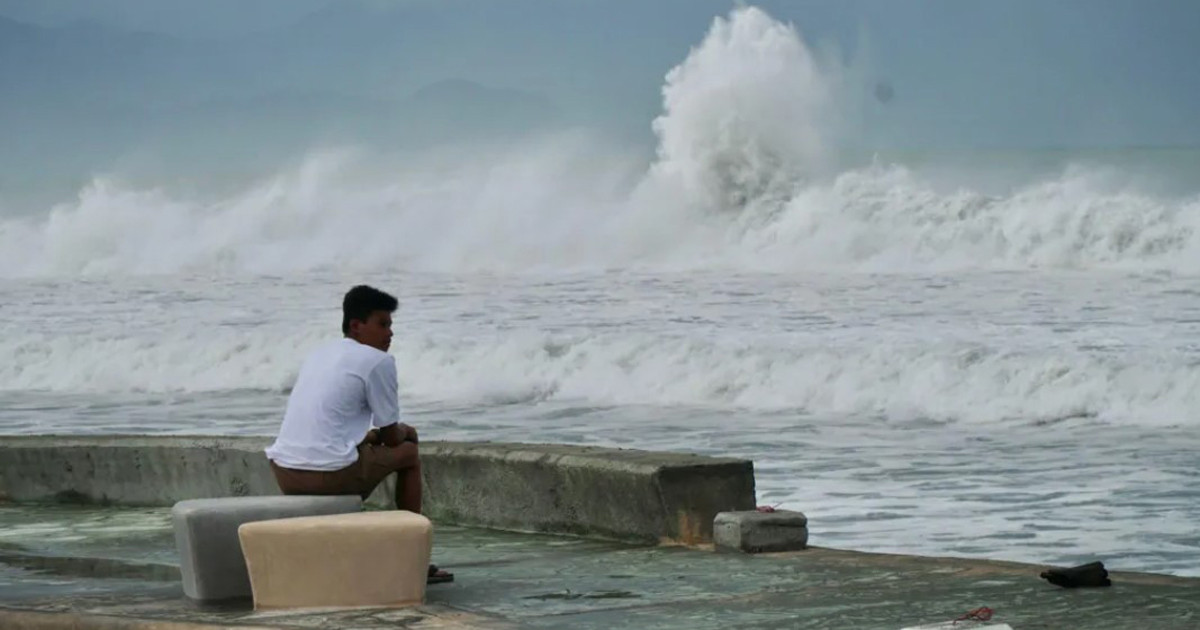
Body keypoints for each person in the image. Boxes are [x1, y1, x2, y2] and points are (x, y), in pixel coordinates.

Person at [264, 284, 452, 584]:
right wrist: (407, 431)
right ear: (356, 325)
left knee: (372, 449)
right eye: (382, 324)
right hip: (328, 475)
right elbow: (392, 437)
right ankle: (412, 557)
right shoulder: (378, 361)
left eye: (391, 325)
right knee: (409, 454)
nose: (390, 334)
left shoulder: (319, 354)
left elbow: (333, 424)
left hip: (285, 472)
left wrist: (372, 437)